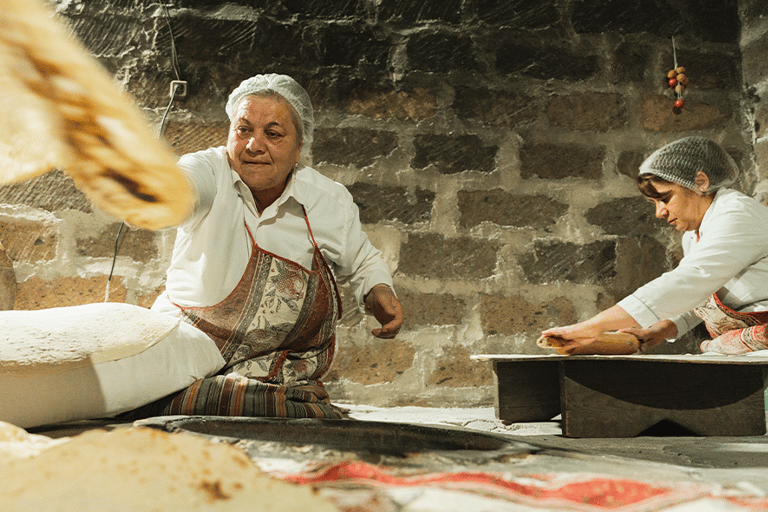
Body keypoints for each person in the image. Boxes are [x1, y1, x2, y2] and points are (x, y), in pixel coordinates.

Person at [132, 73, 402, 419]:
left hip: (274, 368)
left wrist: (379, 293)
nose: (253, 146)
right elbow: (178, 187)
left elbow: (363, 261)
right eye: (243, 130)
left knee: (270, 406)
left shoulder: (326, 201)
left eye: (272, 134)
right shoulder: (209, 171)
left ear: (298, 148)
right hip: (189, 349)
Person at [540, 136, 768, 355]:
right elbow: (701, 295)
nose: (659, 212)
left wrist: (592, 326)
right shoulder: (694, 234)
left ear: (700, 182)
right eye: (654, 203)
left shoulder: (738, 214)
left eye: (665, 198)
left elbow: (689, 281)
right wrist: (657, 331)